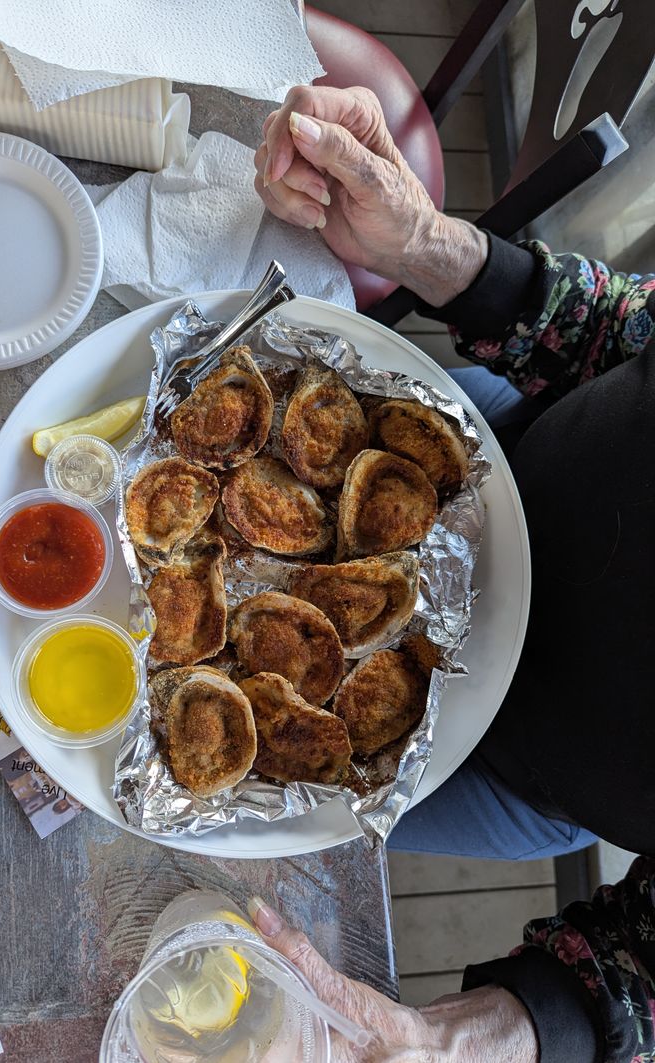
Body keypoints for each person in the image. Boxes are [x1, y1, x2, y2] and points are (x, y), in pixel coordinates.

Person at [254, 84, 655, 1061]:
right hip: (475, 454)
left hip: (498, 758)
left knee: (247, 791)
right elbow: (624, 341)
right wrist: (426, 244)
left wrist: (458, 1039)